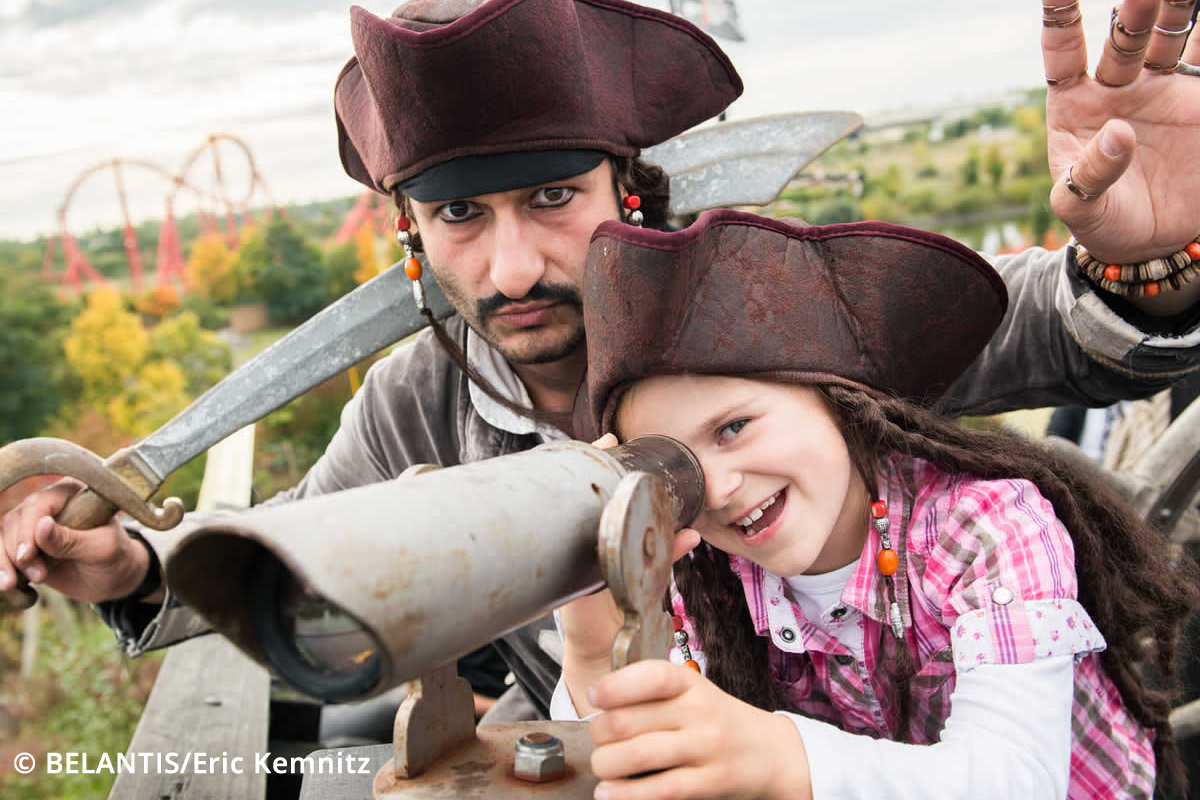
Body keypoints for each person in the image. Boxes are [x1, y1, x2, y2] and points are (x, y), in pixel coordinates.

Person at [3, 0, 1200, 726]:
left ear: (626, 188)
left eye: (550, 198)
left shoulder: (759, 312)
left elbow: (1052, 324)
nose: (514, 266)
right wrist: (126, 568)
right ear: (408, 236)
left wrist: (1147, 262)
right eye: (461, 218)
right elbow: (301, 563)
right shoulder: (419, 402)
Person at [556, 209, 1200, 800]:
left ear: (838, 398)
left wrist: (786, 760)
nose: (721, 489)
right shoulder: (707, 582)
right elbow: (634, 766)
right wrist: (593, 652)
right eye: (684, 473)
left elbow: (1017, 780)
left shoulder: (986, 530)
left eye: (735, 428)